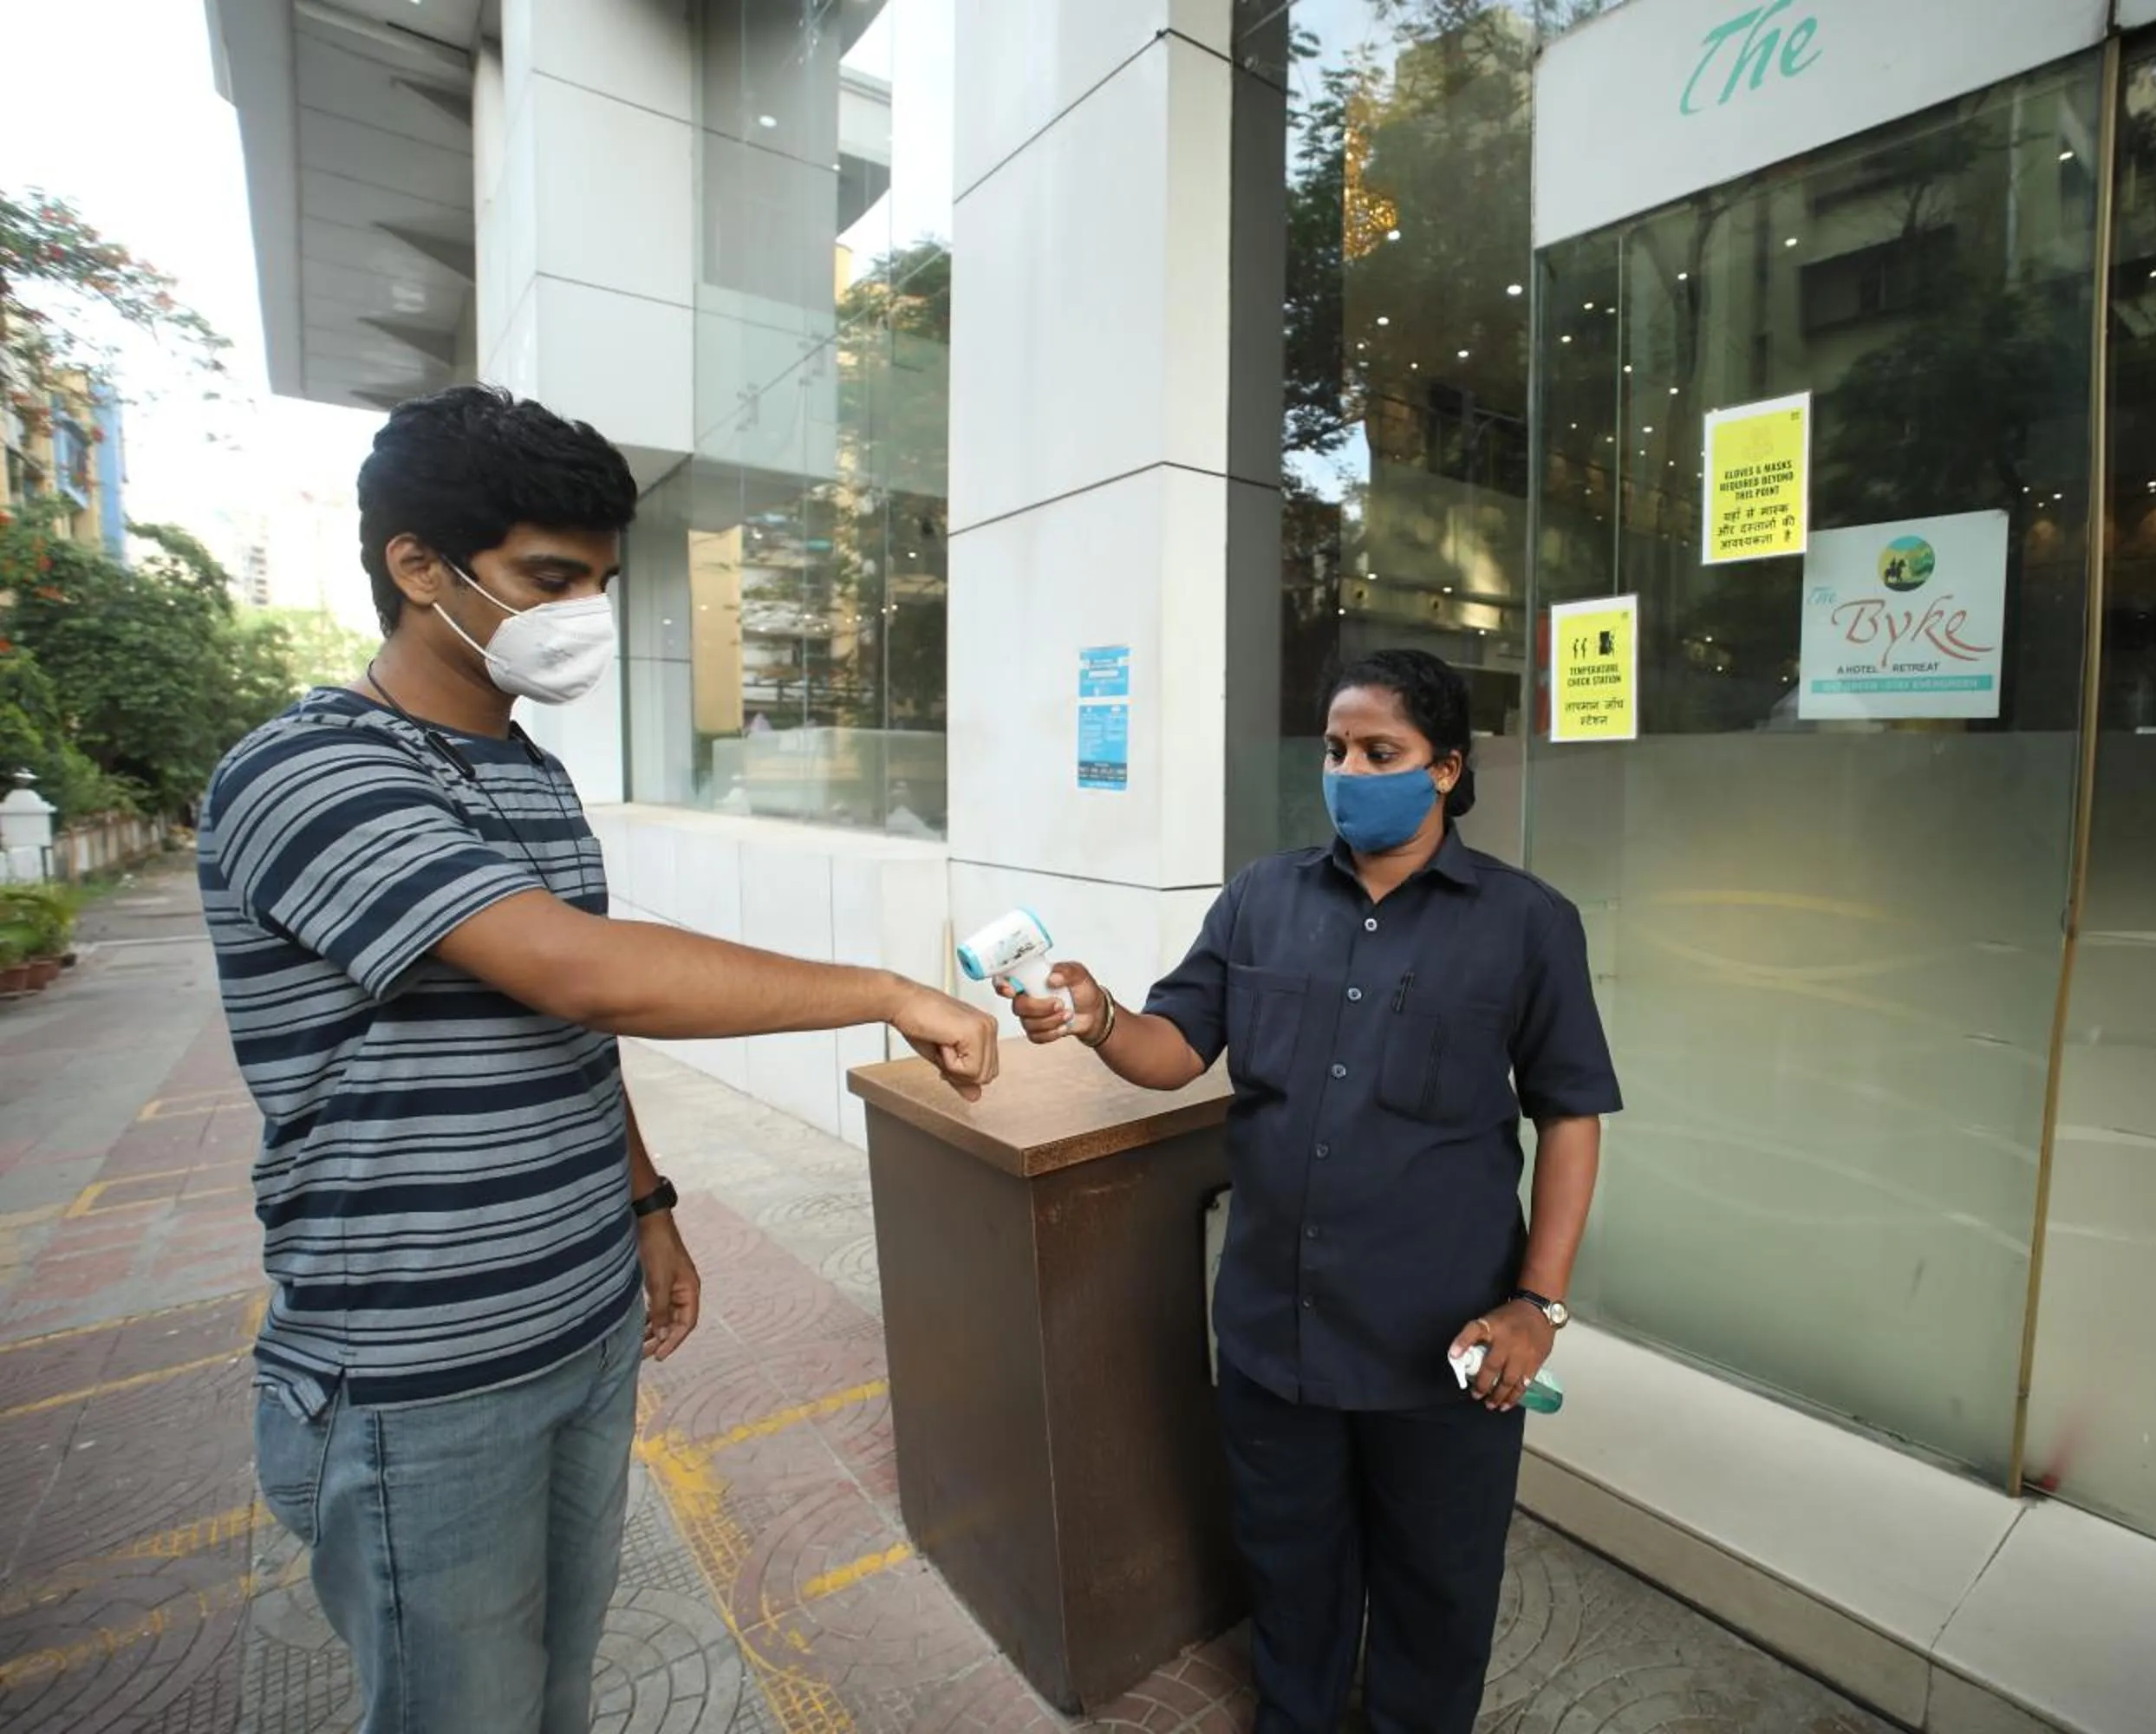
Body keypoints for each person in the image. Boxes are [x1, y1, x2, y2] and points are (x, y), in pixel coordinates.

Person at [196, 385, 999, 1734]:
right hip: (422, 1367)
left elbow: (567, 1028)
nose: (585, 614)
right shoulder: (312, 770)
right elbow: (576, 968)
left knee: (554, 1688)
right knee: (463, 1712)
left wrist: (647, 1204)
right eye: (549, 578)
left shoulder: (530, 772)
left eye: (601, 583)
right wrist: (881, 991)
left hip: (579, 1320)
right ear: (418, 565)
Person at [1004, 648, 1620, 1734]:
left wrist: (1539, 1302)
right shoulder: (1262, 897)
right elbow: (1174, 1047)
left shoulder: (1526, 922)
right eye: (1336, 750)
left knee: (1437, 1584)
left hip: (1442, 1343)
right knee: (1292, 1572)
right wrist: (1099, 1017)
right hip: (1275, 1333)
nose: (1349, 772)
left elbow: (1571, 1114)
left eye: (1382, 751)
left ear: (1445, 769)